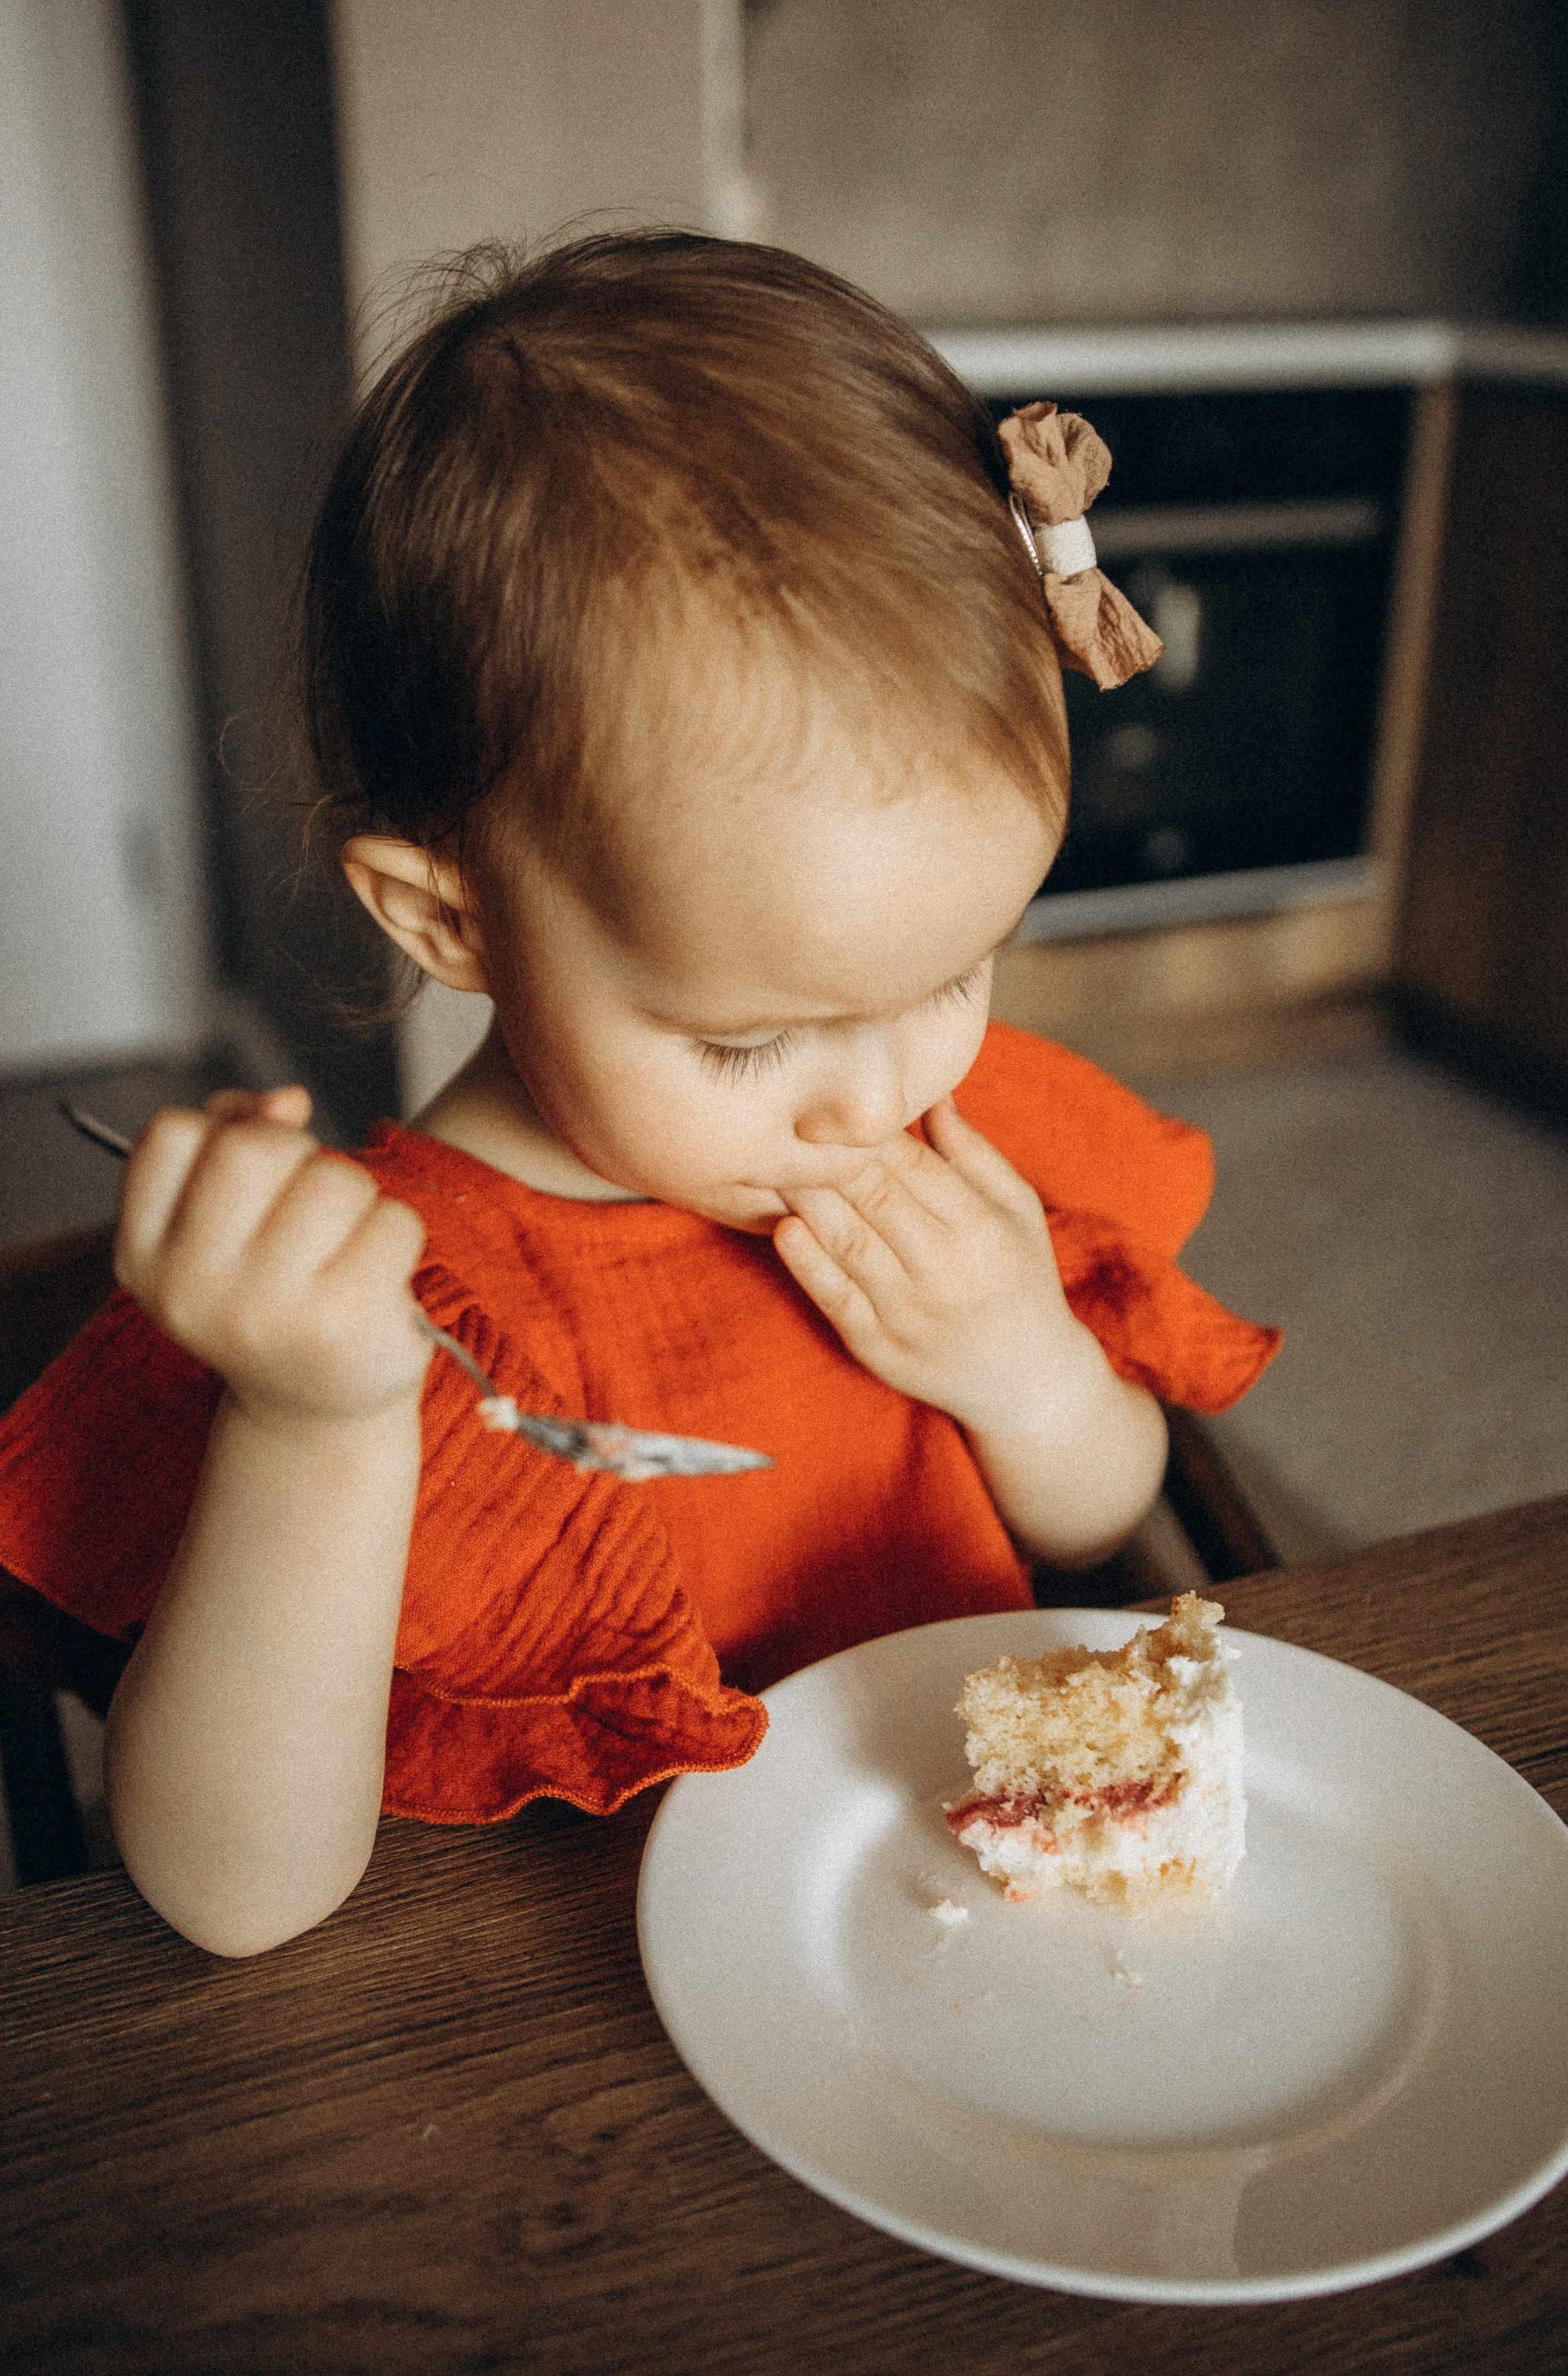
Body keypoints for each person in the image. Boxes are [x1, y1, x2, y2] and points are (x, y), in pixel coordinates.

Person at [0, 233, 1277, 1955]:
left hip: (958, 1955)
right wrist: (318, 1430)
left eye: (959, 973)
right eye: (751, 1042)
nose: (879, 1093)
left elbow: (1103, 1515)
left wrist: (1021, 1366)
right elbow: (230, 1901)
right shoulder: (379, 1325)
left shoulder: (958, 1151)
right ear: (451, 914)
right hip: (557, 2056)